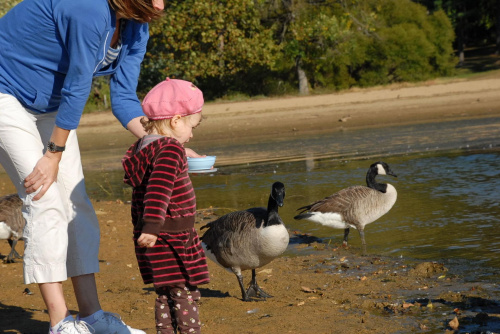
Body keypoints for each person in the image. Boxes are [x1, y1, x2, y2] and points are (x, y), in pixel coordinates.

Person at [0, 0, 192, 333]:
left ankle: (91, 316)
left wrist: (164, 143)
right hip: (5, 93)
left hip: (50, 104)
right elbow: (78, 83)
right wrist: (53, 154)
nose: (162, 2)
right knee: (44, 197)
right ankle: (61, 323)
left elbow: (122, 96)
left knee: (77, 204)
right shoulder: (87, 8)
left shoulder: (136, 25)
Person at [122, 78, 211, 334]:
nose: (192, 134)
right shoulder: (170, 148)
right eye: (191, 126)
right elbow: (159, 190)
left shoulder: (142, 147)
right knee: (185, 292)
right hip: (171, 233)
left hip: (153, 233)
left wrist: (148, 228)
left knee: (165, 291)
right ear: (175, 120)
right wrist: (153, 226)